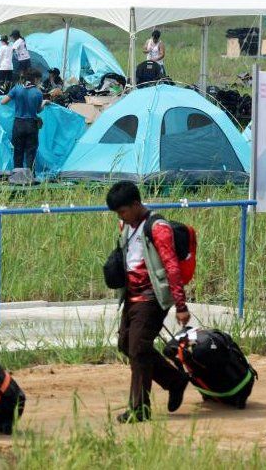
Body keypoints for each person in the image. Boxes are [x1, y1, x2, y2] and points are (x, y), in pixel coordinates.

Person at [105, 181, 190, 424]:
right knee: (125, 345)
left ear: (135, 204)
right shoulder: (127, 225)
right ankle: (175, 381)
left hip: (152, 298)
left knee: (139, 350)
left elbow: (172, 267)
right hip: (131, 296)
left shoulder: (158, 228)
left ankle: (139, 408)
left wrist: (181, 306)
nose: (121, 217)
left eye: (122, 211)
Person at [0, 69, 45, 173]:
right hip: (31, 125)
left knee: (18, 151)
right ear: (35, 79)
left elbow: (3, 102)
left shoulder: (17, 89)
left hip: (18, 124)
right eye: (39, 80)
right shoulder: (38, 93)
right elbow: (38, 110)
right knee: (30, 152)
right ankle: (30, 177)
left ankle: (17, 175)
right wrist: (44, 103)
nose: (40, 82)